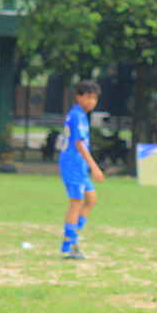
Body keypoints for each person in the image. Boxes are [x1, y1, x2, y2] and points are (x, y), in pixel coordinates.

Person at [57, 80, 105, 259]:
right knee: (76, 203)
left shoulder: (81, 115)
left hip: (79, 166)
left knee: (91, 199)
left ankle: (73, 238)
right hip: (73, 164)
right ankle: (67, 246)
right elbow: (79, 143)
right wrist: (94, 166)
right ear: (79, 97)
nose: (92, 101)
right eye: (89, 97)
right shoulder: (77, 115)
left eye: (95, 98)